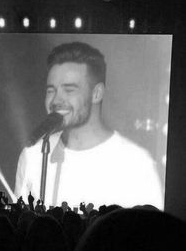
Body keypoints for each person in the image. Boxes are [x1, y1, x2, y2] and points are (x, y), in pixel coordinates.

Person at [14, 41, 163, 210]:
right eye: (50, 90)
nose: (56, 100)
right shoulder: (33, 156)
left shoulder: (137, 165)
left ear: (97, 93)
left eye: (69, 90)